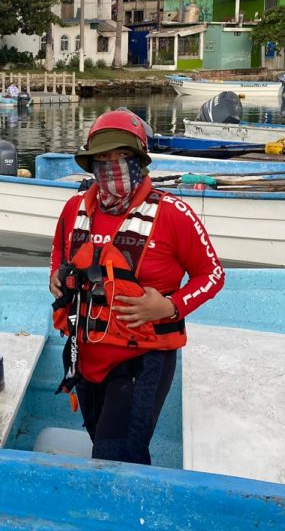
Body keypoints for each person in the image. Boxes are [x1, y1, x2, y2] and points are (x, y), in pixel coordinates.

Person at [49, 109, 224, 465]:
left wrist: (171, 307)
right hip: (86, 355)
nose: (112, 166)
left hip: (143, 358)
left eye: (122, 157)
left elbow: (213, 275)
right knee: (99, 439)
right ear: (91, 164)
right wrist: (55, 274)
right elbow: (59, 251)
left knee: (119, 459)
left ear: (140, 161)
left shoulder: (174, 214)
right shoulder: (73, 209)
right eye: (103, 158)